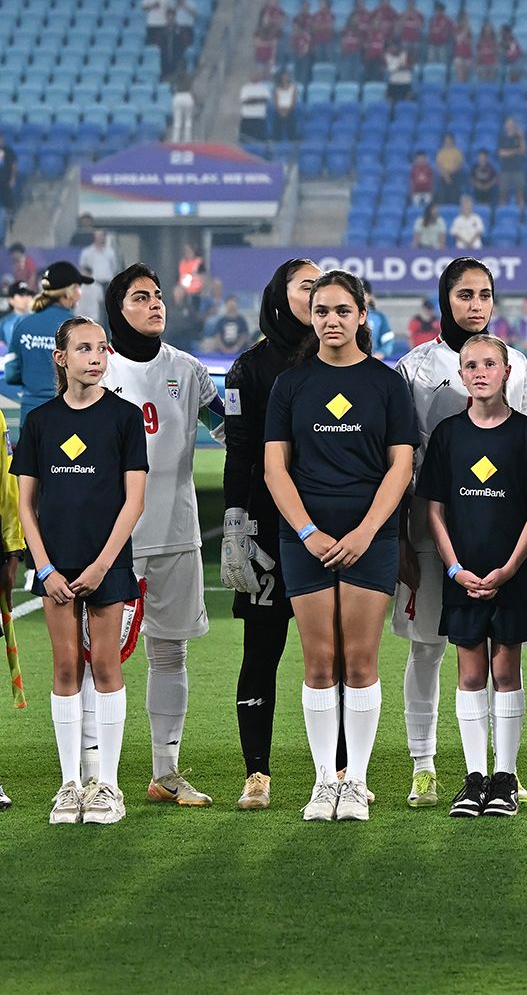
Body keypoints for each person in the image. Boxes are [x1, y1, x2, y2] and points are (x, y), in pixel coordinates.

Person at [263, 270, 419, 821]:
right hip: (303, 536)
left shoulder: (385, 383)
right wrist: (308, 532)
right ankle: (323, 782)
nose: (331, 320)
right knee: (318, 661)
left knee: (359, 660)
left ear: (362, 315)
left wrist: (366, 532)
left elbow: (402, 465)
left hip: (368, 539)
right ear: (312, 316)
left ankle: (356, 782)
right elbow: (275, 468)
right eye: (321, 310)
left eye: (342, 311)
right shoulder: (290, 384)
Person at [394, 258, 527, 808]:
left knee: (500, 650)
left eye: (484, 294)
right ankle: (424, 764)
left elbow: (525, 446)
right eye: (463, 295)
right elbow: (404, 459)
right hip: (435, 533)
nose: (475, 304)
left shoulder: (515, 363)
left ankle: (502, 770)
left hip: (496, 534)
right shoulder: (415, 367)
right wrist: (404, 536)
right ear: (444, 301)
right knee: (431, 648)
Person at [97, 265, 220, 810]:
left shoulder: (189, 370)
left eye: (158, 296)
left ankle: (165, 773)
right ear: (117, 308)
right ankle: (92, 772)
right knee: (97, 655)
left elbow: (228, 428)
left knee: (169, 654)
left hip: (176, 533)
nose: (155, 305)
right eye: (140, 297)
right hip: (111, 542)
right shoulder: (98, 369)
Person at [19, 316, 149, 824]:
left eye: (101, 349)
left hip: (106, 563)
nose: (96, 357)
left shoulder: (123, 417)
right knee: (66, 668)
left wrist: (101, 565)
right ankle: (70, 785)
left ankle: (108, 787)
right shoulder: (40, 422)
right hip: (57, 566)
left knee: (107, 667)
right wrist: (45, 567)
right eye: (84, 349)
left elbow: (133, 501)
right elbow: (27, 505)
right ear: (61, 357)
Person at [418, 334, 527, 818]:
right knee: (470, 672)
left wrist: (510, 567)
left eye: (489, 363)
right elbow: (433, 508)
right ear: (461, 374)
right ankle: (474, 778)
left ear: (507, 371)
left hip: (510, 572)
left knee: (505, 671)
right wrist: (454, 568)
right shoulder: (449, 435)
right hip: (463, 574)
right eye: (470, 364)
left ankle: (505, 778)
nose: (480, 371)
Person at [217, 260, 323, 809]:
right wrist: (236, 521)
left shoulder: (344, 362)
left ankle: (341, 769)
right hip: (265, 527)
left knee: (332, 652)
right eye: (306, 285)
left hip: (328, 530)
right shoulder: (249, 369)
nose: (318, 292)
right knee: (262, 648)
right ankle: (256, 772)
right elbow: (240, 452)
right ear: (280, 298)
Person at [6, 261, 91, 420]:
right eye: (79, 287)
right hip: (66, 415)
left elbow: (11, 374)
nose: (80, 293)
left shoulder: (23, 324)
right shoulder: (79, 327)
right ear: (69, 292)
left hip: (30, 415)